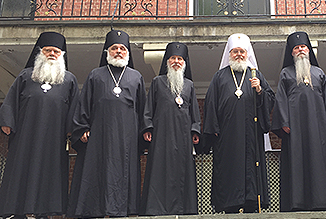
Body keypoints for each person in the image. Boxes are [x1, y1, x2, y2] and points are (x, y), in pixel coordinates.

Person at [68, 30, 146, 217]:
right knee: (97, 173)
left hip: (127, 139)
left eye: (122, 48)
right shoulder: (95, 75)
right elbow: (84, 103)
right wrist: (83, 128)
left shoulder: (136, 77)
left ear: (127, 52)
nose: (118, 51)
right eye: (114, 48)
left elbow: (143, 109)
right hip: (99, 137)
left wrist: (144, 133)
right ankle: (96, 210)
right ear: (107, 51)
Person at [0, 32, 79, 218]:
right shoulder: (26, 76)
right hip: (25, 137)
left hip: (54, 139)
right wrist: (7, 123)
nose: (52, 54)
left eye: (56, 51)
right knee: (21, 170)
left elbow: (75, 107)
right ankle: (16, 212)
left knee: (49, 173)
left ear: (62, 55)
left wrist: (71, 130)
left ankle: (43, 212)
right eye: (48, 50)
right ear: (40, 53)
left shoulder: (69, 80)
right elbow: (10, 102)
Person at [203, 33, 275, 213]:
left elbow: (270, 99)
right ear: (229, 53)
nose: (239, 55)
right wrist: (214, 132)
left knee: (251, 172)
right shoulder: (219, 77)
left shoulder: (255, 74)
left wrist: (259, 91)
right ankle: (230, 206)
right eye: (235, 51)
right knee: (229, 172)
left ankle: (251, 204)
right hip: (227, 138)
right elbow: (210, 105)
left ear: (247, 54)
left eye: (242, 52)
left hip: (251, 136)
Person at [271, 31, 326, 211]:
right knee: (297, 162)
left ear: (309, 50)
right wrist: (284, 121)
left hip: (318, 128)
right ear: (292, 53)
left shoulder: (319, 73)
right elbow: (281, 99)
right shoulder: (286, 73)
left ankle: (323, 201)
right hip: (295, 129)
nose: (301, 50)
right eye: (297, 48)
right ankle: (298, 203)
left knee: (320, 162)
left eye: (303, 47)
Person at [139, 42, 200, 215]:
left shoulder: (189, 85)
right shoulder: (157, 82)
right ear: (167, 61)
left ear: (184, 63)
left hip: (183, 137)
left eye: (179, 59)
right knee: (159, 171)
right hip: (161, 136)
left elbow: (194, 111)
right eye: (172, 58)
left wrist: (195, 130)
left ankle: (184, 209)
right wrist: (148, 127)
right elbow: (149, 109)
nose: (176, 61)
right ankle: (156, 208)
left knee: (183, 172)